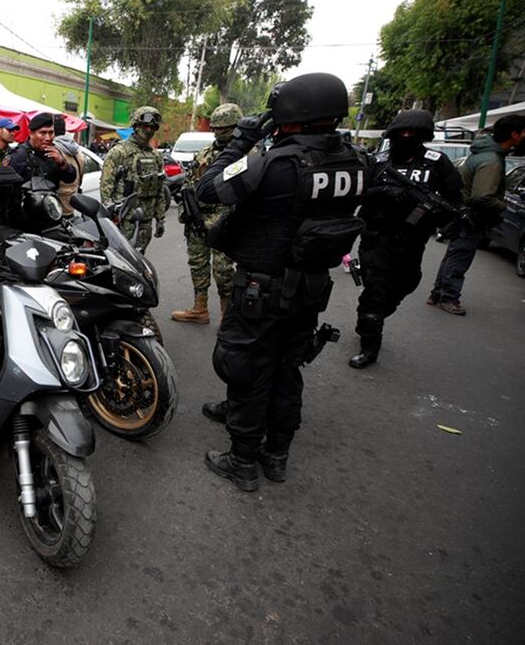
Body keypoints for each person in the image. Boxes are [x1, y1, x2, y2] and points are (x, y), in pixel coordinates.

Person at [196, 73, 371, 491]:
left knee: (247, 368)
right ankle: (276, 455)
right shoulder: (358, 162)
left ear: (291, 116)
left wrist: (241, 140)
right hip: (309, 286)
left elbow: (208, 189)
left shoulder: (274, 164)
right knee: (287, 368)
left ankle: (242, 461)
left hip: (261, 284)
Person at [348, 110, 463, 368]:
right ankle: (369, 344)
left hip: (412, 241)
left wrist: (447, 218)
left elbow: (454, 197)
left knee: (408, 283)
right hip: (377, 237)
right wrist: (385, 192)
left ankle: (371, 318)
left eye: (413, 133)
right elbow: (357, 191)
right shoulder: (378, 161)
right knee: (375, 292)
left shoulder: (436, 162)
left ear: (424, 136)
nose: (407, 137)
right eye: (402, 132)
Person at [427, 115, 525, 315]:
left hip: (464, 214)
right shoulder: (491, 161)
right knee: (460, 256)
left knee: (454, 254)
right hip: (472, 217)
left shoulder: (486, 154)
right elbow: (482, 196)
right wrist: (501, 205)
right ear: (514, 135)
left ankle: (438, 294)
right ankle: (447, 296)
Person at [171, 103, 242, 324]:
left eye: (225, 128)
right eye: (217, 128)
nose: (220, 132)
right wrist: (186, 211)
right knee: (198, 264)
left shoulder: (247, 154)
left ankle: (227, 315)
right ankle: (199, 308)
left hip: (226, 220)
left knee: (223, 271)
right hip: (198, 219)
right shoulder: (205, 152)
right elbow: (189, 183)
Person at [100, 106, 167, 252]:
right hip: (125, 219)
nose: (149, 130)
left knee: (140, 257)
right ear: (136, 126)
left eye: (152, 127)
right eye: (145, 126)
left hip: (146, 220)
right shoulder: (120, 152)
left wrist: (160, 218)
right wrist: (110, 213)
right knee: (121, 258)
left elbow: (160, 189)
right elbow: (106, 184)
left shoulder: (156, 156)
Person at [8, 112, 77, 188]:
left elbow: (70, 179)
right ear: (31, 134)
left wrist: (62, 163)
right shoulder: (19, 155)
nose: (48, 138)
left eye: (51, 133)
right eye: (43, 133)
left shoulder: (54, 153)